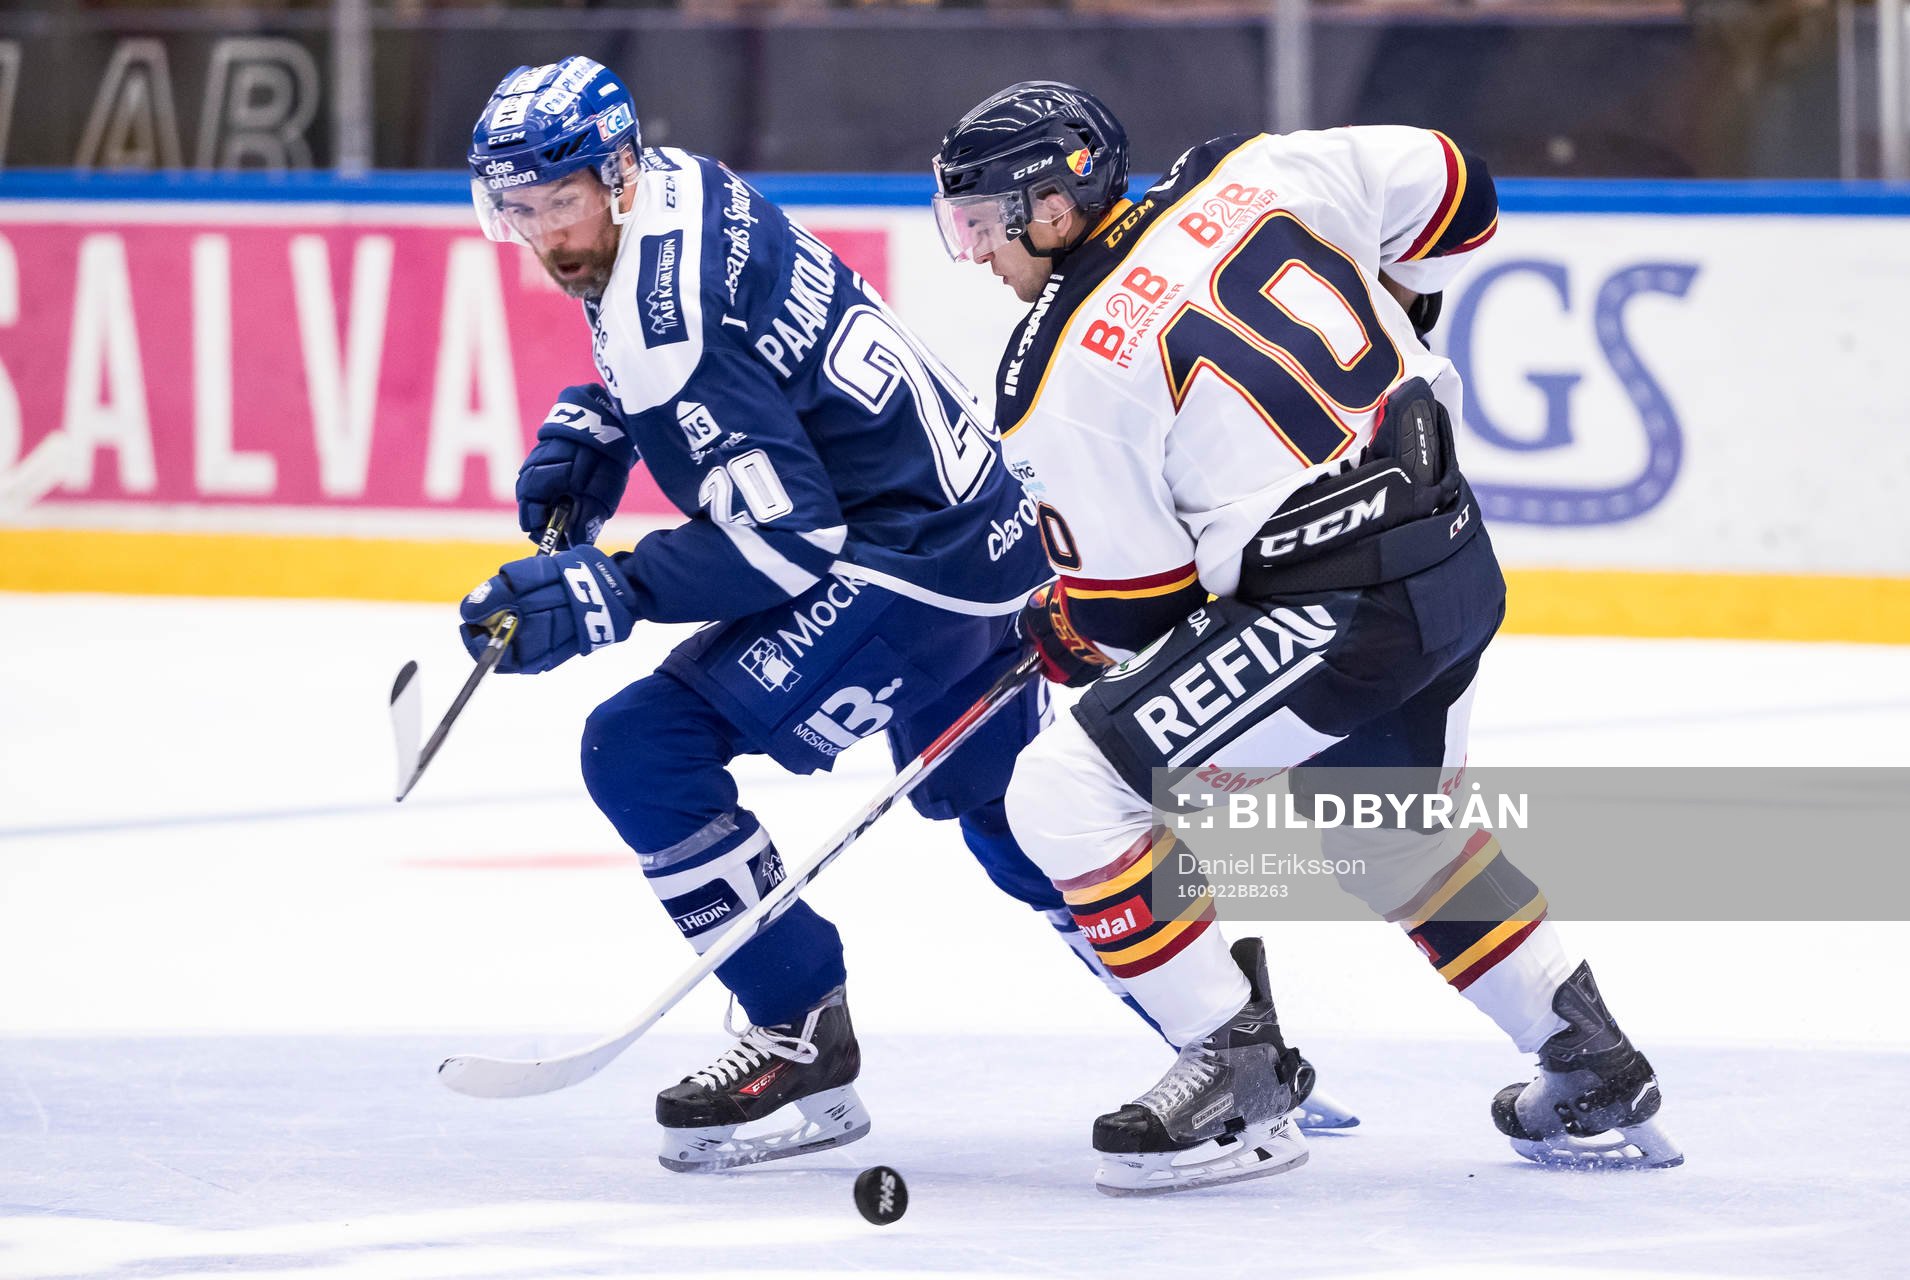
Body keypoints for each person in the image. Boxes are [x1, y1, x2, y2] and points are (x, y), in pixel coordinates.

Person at [452, 57, 1352, 1176]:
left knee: (640, 744)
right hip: (987, 534)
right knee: (1008, 812)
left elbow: (785, 539)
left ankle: (798, 1033)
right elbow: (740, 366)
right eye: (520, 209)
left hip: (908, 565)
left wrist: (614, 588)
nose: (543, 234)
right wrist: (609, 417)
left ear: (618, 172)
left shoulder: (656, 309)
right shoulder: (688, 187)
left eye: (561, 201)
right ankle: (1228, 1034)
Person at [932, 80, 1680, 1194]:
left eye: (987, 224)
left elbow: (1140, 611)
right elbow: (1460, 189)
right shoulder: (1256, 167)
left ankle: (1239, 1062)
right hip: (1455, 559)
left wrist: (1067, 625)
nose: (978, 255)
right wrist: (1405, 306)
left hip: (1331, 615)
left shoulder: (1060, 372)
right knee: (1396, 834)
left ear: (1053, 205)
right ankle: (1594, 1060)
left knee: (1068, 791)